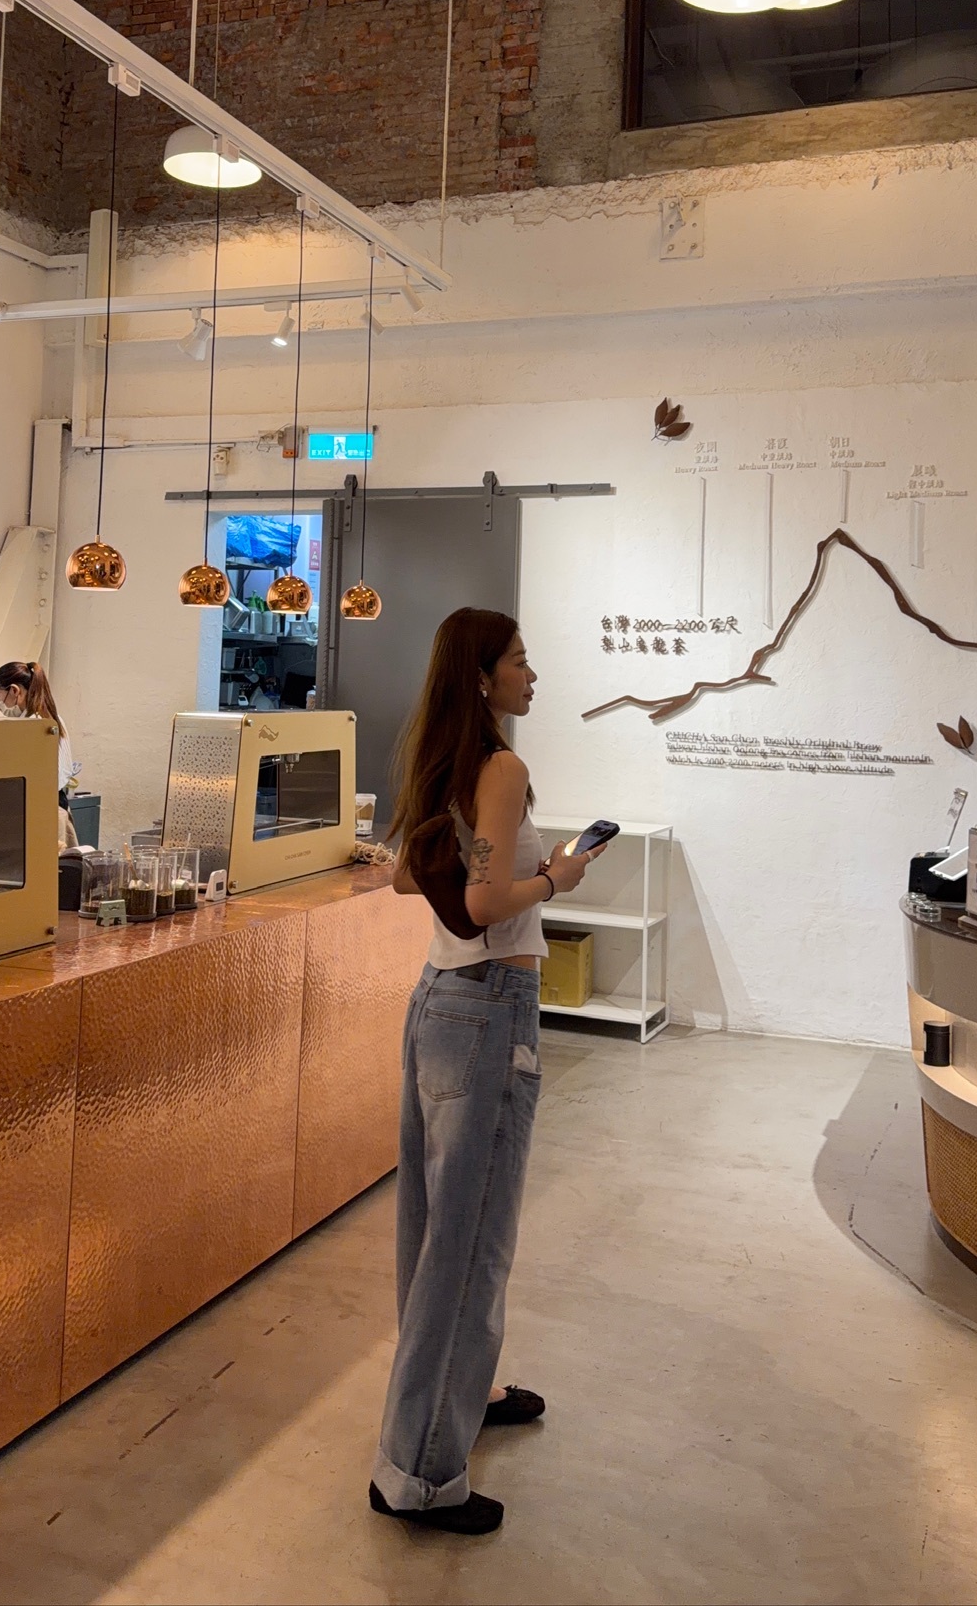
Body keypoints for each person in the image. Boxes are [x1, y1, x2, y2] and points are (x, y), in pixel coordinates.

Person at [371, 607, 606, 1535]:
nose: (531, 674)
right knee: (471, 1241)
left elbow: (409, 877)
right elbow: (481, 904)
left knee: (437, 1231)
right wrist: (554, 879)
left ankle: (462, 1396)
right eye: (519, 660)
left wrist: (504, 868)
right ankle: (420, 1471)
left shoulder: (444, 760)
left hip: (440, 1001)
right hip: (489, 1007)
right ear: (482, 675)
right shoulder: (500, 767)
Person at [0, 660, 79, 846]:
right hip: (51, 803)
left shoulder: (34, 724)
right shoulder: (47, 716)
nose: (1, 704)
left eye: (0, 698)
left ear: (15, 691)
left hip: (43, 807)